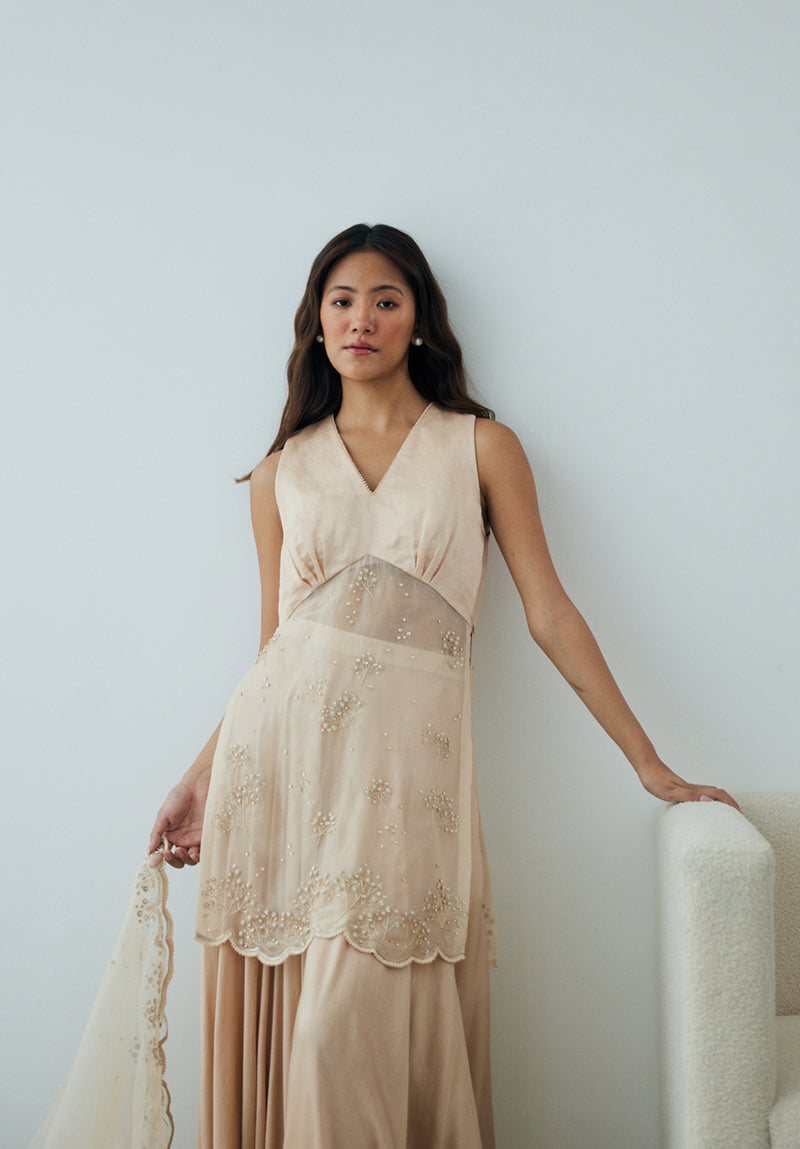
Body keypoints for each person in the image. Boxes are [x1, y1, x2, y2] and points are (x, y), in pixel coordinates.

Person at [147, 222, 739, 1148]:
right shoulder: (278, 473)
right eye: (342, 301)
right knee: (310, 1038)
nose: (362, 319)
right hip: (282, 786)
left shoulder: (482, 447)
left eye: (385, 300)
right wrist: (199, 777)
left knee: (334, 1036)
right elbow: (274, 653)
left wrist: (648, 762)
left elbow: (550, 612)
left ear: (419, 320)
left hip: (403, 797)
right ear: (315, 322)